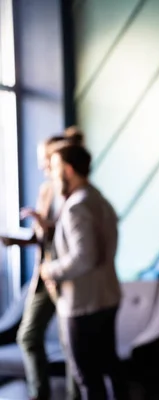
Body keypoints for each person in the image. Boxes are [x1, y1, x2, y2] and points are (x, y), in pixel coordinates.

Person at [38, 144, 128, 400]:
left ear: (68, 170)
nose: (51, 175)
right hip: (107, 296)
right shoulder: (99, 199)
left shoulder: (76, 205)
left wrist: (50, 270)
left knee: (87, 378)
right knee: (111, 368)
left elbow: (84, 257)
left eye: (54, 168)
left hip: (83, 303)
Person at [1, 131, 82, 400]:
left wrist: (46, 225)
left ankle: (73, 395)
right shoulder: (47, 189)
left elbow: (72, 235)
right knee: (28, 335)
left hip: (66, 277)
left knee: (70, 343)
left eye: (44, 158)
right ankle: (40, 393)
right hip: (44, 275)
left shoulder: (72, 191)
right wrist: (17, 239)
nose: (41, 165)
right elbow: (44, 237)